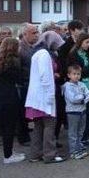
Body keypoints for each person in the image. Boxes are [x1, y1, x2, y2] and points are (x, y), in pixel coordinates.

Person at [25, 31, 66, 164]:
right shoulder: (44, 54)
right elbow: (45, 76)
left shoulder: (37, 52)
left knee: (38, 127)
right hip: (44, 96)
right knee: (49, 126)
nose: (57, 47)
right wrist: (50, 96)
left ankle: (35, 154)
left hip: (36, 97)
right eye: (56, 44)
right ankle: (49, 154)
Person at [0, 37, 26, 164]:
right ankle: (8, 156)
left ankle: (9, 152)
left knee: (8, 127)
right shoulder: (12, 62)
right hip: (11, 97)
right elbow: (19, 79)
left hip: (3, 97)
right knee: (9, 128)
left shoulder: (0, 61)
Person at [62, 64, 89, 160]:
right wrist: (82, 98)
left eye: (78, 74)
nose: (76, 76)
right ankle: (73, 151)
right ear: (69, 75)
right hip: (72, 112)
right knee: (73, 132)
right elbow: (73, 99)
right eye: (74, 74)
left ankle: (79, 147)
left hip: (82, 111)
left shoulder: (82, 84)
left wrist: (82, 99)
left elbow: (88, 95)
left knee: (80, 131)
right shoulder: (67, 86)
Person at [17, 23, 39, 145]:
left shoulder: (32, 46)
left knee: (28, 112)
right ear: (25, 34)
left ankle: (26, 132)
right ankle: (23, 137)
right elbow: (18, 68)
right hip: (24, 84)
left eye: (37, 32)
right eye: (33, 33)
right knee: (22, 112)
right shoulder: (20, 48)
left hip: (31, 84)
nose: (36, 35)